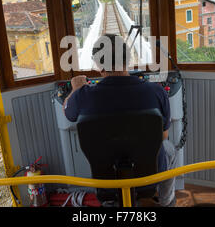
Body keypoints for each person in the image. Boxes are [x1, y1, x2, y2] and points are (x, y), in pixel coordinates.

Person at [63, 33, 177, 207]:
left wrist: (76, 89)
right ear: (127, 59)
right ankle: (167, 202)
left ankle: (111, 203)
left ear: (99, 65)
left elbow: (68, 113)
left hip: (107, 179)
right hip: (148, 177)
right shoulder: (156, 92)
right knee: (169, 149)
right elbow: (163, 136)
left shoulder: (82, 96)